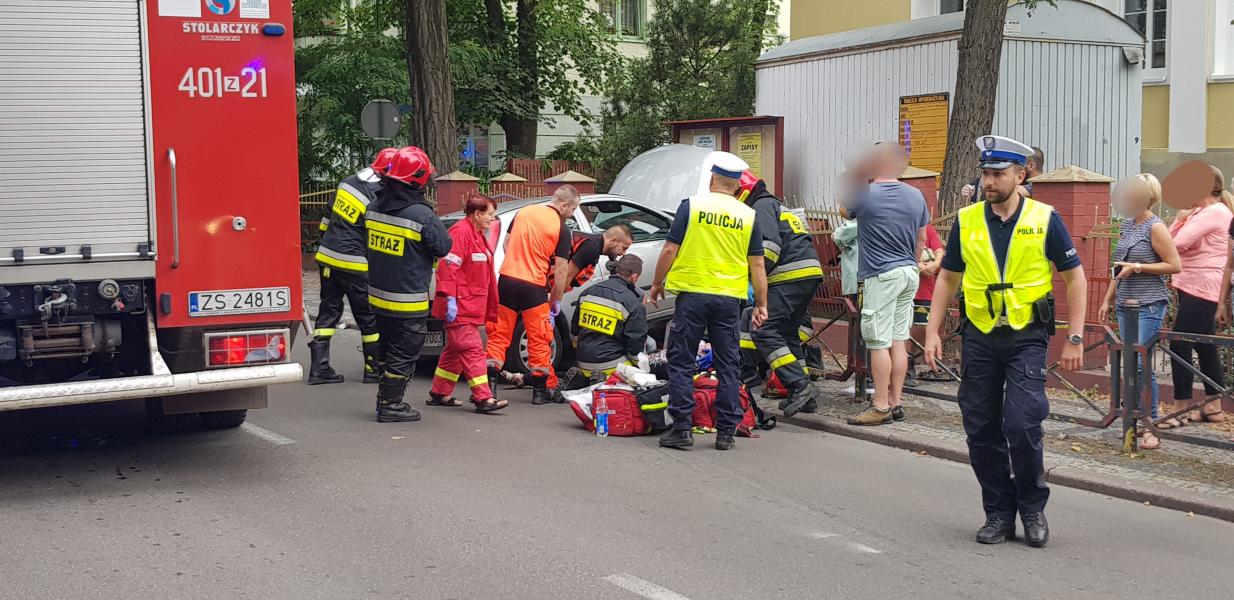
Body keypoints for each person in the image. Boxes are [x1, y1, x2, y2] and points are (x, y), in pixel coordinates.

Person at [924, 135, 1087, 548]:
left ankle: (1032, 507)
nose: (988, 181)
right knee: (980, 428)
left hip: (1026, 337)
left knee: (1022, 424)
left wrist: (1075, 336)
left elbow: (1075, 278)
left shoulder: (1045, 218)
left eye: (997, 174)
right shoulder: (968, 220)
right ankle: (998, 513)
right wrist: (932, 330)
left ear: (1020, 175)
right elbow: (947, 277)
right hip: (979, 336)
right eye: (985, 173)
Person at [648, 152, 768, 452]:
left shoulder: (692, 206)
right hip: (729, 300)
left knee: (681, 361)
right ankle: (726, 432)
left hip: (693, 296)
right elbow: (757, 265)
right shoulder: (747, 215)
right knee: (728, 364)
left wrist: (657, 283)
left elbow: (669, 249)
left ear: (712, 179)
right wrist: (762, 304)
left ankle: (682, 428)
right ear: (738, 186)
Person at [841, 143, 929, 426]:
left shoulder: (865, 193)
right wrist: (912, 261)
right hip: (908, 272)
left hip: (880, 274)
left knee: (878, 342)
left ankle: (879, 406)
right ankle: (896, 401)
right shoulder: (916, 195)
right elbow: (922, 240)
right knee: (899, 339)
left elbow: (844, 211)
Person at [365, 147, 453, 423]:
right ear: (418, 179)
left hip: (377, 297)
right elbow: (443, 246)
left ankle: (383, 399)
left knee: (386, 350)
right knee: (403, 353)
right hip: (407, 300)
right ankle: (391, 405)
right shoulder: (421, 215)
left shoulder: (373, 207)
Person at [1096, 174, 1180, 447]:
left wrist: (1139, 267)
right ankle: (1131, 421)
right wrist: (1107, 299)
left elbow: (1174, 265)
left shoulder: (1156, 227)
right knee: (1130, 364)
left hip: (1149, 303)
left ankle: (1150, 423)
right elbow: (1119, 266)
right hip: (1125, 304)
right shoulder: (1128, 224)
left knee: (1143, 364)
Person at [737, 171, 824, 417]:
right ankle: (804, 395)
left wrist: (753, 276)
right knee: (786, 333)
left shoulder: (760, 206)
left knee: (762, 329)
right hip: (807, 273)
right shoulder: (774, 204)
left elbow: (769, 248)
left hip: (789, 275)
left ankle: (799, 384)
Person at [307, 148, 397, 386]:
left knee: (328, 312)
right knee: (368, 317)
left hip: (328, 258)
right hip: (355, 263)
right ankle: (373, 369)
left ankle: (319, 368)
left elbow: (326, 220)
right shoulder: (379, 195)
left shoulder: (346, 183)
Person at [486, 185, 581, 405]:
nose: (572, 214)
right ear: (564, 205)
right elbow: (561, 271)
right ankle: (539, 392)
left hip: (507, 280)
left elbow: (507, 243)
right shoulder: (562, 229)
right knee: (539, 337)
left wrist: (517, 261)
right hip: (534, 286)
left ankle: (489, 388)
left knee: (499, 334)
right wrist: (555, 300)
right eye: (573, 209)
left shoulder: (524, 212)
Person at [1165, 165, 1233, 426]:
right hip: (1193, 284)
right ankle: (1213, 406)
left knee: (1179, 344)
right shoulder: (1200, 212)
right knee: (1205, 346)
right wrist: (1181, 220)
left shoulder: (1214, 212)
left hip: (1202, 286)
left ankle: (1179, 409)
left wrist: (1179, 221)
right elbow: (1170, 243)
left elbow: (1175, 245)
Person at [428, 195, 507, 414]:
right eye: (490, 214)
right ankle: (483, 398)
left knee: (455, 351)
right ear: (477, 214)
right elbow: (447, 267)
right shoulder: (461, 233)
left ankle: (439, 392)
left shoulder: (476, 234)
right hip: (461, 305)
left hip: (468, 304)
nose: (492, 218)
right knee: (472, 349)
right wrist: (450, 298)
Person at [572, 255, 648, 381]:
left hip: (582, 362)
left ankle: (584, 378)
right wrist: (644, 367)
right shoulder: (633, 303)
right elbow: (635, 346)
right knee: (644, 368)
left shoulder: (587, 292)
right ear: (634, 277)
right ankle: (604, 379)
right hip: (611, 365)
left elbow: (575, 332)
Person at [907, 222, 946, 386]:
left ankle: (912, 360)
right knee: (903, 328)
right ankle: (906, 365)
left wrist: (935, 264)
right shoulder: (900, 225)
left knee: (922, 326)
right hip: (905, 286)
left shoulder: (927, 228)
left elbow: (939, 249)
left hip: (925, 290)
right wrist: (917, 267)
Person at [549, 225, 635, 293]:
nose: (624, 253)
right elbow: (565, 279)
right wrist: (554, 304)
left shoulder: (594, 243)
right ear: (613, 241)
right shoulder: (592, 248)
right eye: (624, 248)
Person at [962, 146, 1044, 203]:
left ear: (1031, 166)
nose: (1018, 168)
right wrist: (972, 188)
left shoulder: (1041, 186)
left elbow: (1014, 189)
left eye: (1021, 165)